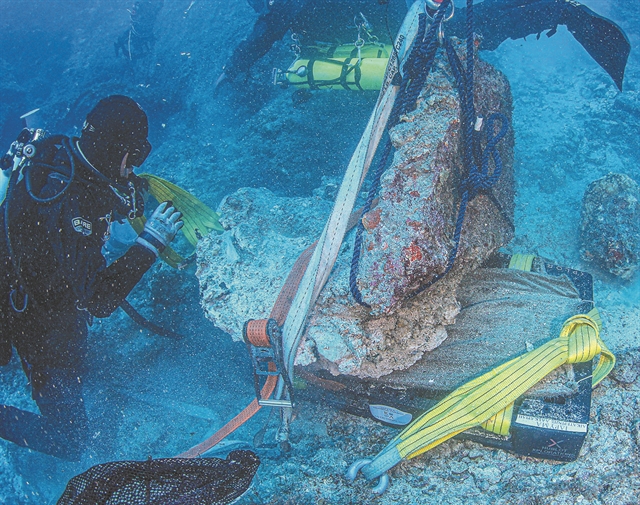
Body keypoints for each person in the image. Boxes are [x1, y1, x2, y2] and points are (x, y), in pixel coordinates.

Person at [0, 95, 183, 461]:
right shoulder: (69, 203)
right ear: (113, 149)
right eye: (134, 156)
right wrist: (151, 242)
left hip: (48, 298)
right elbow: (98, 300)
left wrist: (129, 195)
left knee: (82, 358)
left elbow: (97, 201)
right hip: (30, 320)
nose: (135, 167)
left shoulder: (64, 156)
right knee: (70, 441)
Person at [216, 0, 629, 91]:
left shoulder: (281, 9)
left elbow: (259, 39)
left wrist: (229, 74)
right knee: (470, 23)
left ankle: (560, 12)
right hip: (393, 12)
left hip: (399, 23)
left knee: (465, 31)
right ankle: (554, 9)